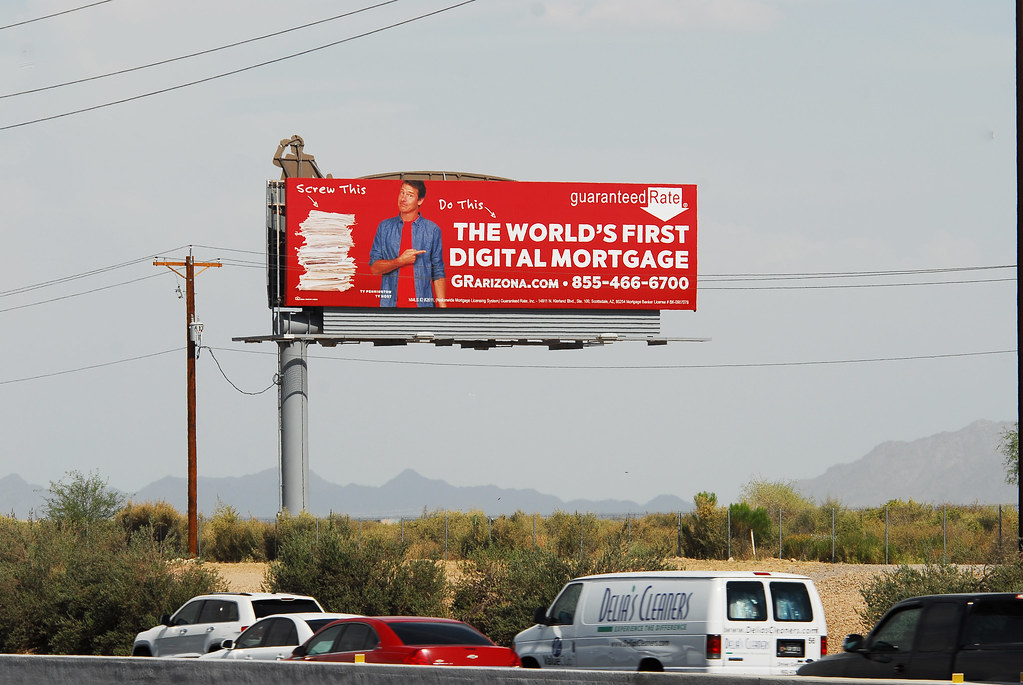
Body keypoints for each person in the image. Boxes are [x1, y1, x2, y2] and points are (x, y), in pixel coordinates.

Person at [369, 180, 447, 307]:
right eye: (402, 193)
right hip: (390, 307)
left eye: (410, 195)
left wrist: (443, 311)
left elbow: (438, 272)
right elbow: (374, 268)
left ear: (420, 200)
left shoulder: (432, 230)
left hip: (423, 308)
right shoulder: (385, 227)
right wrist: (400, 261)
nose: (403, 199)